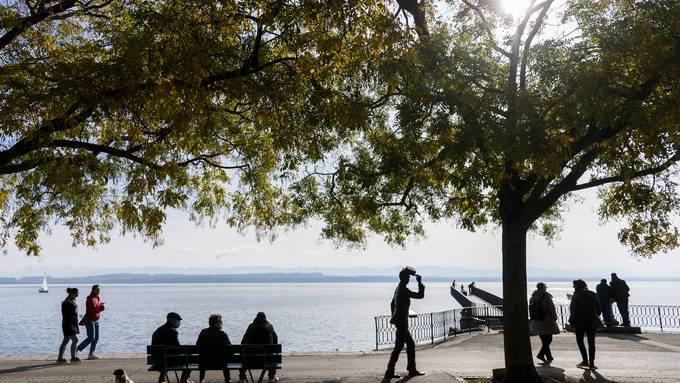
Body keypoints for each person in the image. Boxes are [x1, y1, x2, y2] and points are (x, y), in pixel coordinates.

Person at [382, 267, 425, 382]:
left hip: (400, 322)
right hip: (402, 323)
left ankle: (411, 369)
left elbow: (392, 303)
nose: (409, 280)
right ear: (405, 278)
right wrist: (420, 283)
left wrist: (394, 317)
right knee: (398, 348)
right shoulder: (404, 290)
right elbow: (420, 295)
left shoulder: (398, 288)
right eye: (408, 278)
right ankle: (389, 372)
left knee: (410, 345)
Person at [569, 279, 602, 370]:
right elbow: (599, 309)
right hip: (591, 322)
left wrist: (571, 321)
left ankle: (585, 361)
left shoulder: (576, 295)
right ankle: (591, 363)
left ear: (576, 286)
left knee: (580, 341)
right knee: (591, 343)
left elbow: (573, 310)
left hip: (579, 323)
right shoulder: (593, 294)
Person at [152, 312, 191, 383]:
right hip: (168, 361)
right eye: (177, 320)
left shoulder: (158, 330)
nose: (178, 322)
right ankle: (184, 380)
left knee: (165, 356)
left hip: (156, 360)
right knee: (189, 359)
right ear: (172, 320)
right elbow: (178, 348)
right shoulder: (173, 331)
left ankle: (162, 379)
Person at [239, 312, 278, 383]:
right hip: (266, 358)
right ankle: (271, 377)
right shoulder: (269, 326)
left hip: (249, 358)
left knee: (243, 355)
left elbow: (243, 342)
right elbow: (275, 341)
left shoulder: (251, 326)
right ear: (265, 319)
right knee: (273, 355)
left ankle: (242, 378)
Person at [529, 282, 560, 363]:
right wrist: (554, 317)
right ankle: (541, 354)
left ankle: (549, 356)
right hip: (546, 320)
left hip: (536, 321)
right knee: (549, 339)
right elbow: (551, 309)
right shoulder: (546, 297)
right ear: (543, 288)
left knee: (544, 340)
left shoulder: (532, 297)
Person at [196, 314, 231, 383]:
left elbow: (197, 346)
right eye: (220, 322)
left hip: (204, 362)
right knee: (224, 358)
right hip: (220, 363)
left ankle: (201, 379)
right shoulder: (223, 334)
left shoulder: (203, 332)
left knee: (203, 356)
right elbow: (230, 348)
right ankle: (227, 379)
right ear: (216, 324)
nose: (222, 324)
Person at [77, 284, 105, 359]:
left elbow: (99, 309)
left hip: (96, 319)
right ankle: (77, 350)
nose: (98, 291)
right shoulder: (90, 298)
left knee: (96, 338)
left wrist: (102, 307)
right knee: (90, 338)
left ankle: (91, 354)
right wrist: (100, 308)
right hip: (90, 319)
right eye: (97, 290)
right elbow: (93, 310)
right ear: (93, 290)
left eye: (99, 290)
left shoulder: (98, 298)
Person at [57, 287, 81, 364]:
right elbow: (67, 315)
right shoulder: (67, 302)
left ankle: (60, 358)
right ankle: (73, 358)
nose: (78, 294)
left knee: (65, 341)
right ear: (72, 293)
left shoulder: (71, 301)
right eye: (77, 293)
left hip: (71, 324)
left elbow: (73, 312)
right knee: (75, 340)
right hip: (68, 324)